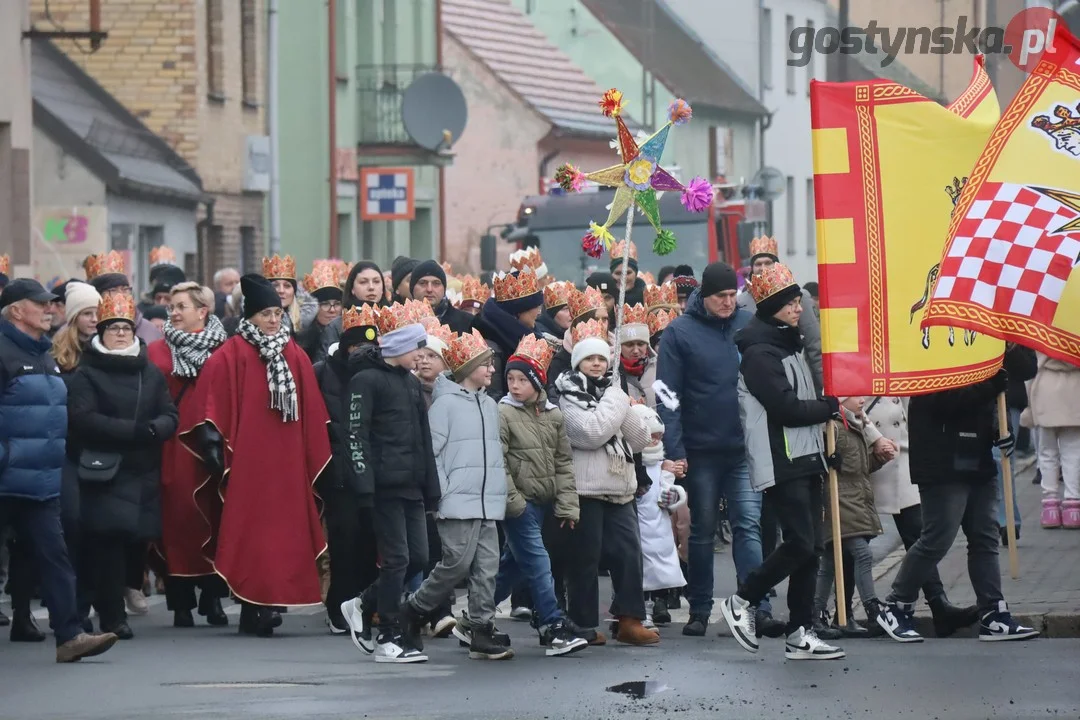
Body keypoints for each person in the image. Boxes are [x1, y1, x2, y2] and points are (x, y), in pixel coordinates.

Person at [180, 274, 331, 637]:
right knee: (251, 534)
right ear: (250, 316)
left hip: (287, 462)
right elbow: (210, 401)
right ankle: (254, 605)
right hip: (247, 462)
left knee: (283, 535)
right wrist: (213, 441)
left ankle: (272, 602)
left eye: (278, 314)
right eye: (266, 314)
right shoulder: (231, 354)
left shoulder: (292, 353)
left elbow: (311, 407)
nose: (273, 321)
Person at [721, 262, 845, 661]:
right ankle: (742, 600)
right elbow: (785, 408)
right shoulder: (759, 352)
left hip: (806, 456)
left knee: (812, 548)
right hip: (781, 459)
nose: (798, 309)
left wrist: (824, 442)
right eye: (791, 303)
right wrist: (827, 407)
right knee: (799, 544)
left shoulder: (790, 343)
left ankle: (800, 631)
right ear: (773, 306)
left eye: (799, 302)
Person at [656, 261, 781, 637]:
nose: (728, 302)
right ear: (704, 296)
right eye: (720, 296)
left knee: (749, 526)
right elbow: (668, 395)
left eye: (732, 295)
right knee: (702, 530)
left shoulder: (749, 323)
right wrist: (675, 449)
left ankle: (758, 605)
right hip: (701, 448)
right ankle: (699, 608)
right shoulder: (680, 332)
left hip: (744, 446)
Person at [0, 278, 120, 662]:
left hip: (41, 479)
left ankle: (70, 636)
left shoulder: (44, 353)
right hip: (5, 476)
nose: (50, 309)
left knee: (55, 555)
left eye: (52, 304)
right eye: (41, 304)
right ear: (17, 310)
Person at [879, 358, 1040, 643]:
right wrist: (990, 386)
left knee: (985, 536)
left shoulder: (978, 351)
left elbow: (1015, 375)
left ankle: (992, 612)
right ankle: (896, 604)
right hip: (941, 462)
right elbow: (942, 402)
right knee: (937, 538)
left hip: (976, 456)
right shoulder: (928, 351)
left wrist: (1000, 430)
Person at [66, 291, 178, 640]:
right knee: (106, 543)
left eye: (126, 328)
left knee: (133, 543)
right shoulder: (87, 373)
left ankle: (100, 608)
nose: (120, 333)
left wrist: (156, 429)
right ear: (101, 332)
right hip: (103, 470)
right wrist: (131, 431)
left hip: (142, 469)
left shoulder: (149, 372)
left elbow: (169, 413)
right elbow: (82, 418)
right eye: (112, 327)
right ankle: (110, 616)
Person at [399, 329, 513, 660]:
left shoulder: (490, 405)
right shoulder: (444, 404)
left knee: (487, 567)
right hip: (456, 502)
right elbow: (432, 453)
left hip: (487, 502)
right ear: (467, 369)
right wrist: (444, 492)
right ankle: (414, 608)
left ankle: (480, 627)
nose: (492, 370)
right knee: (456, 564)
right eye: (486, 365)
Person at [339, 302, 440, 663]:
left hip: (412, 484)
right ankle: (387, 635)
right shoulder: (366, 380)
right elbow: (355, 434)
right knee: (397, 558)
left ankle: (363, 604)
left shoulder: (411, 385)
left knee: (419, 557)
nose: (421, 356)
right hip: (383, 486)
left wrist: (432, 487)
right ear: (398, 347)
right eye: (417, 349)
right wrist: (364, 481)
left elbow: (423, 439)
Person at [556, 319, 655, 645]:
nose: (597, 363)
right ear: (578, 362)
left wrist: (619, 402)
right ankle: (583, 624)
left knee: (629, 554)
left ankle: (629, 619)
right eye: (590, 358)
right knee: (585, 559)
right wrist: (617, 401)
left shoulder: (614, 391)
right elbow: (590, 432)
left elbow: (640, 439)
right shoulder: (568, 393)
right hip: (586, 489)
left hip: (620, 486)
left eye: (601, 358)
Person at [494, 334, 588, 656]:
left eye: (522, 379)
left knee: (513, 566)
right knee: (538, 562)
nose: (515, 385)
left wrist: (567, 505)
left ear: (538, 381)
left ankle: (475, 617)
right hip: (519, 505)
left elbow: (563, 462)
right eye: (510, 378)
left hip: (543, 503)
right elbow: (499, 461)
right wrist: (514, 502)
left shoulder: (553, 416)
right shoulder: (503, 413)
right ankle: (551, 626)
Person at [147, 282, 230, 628]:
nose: (175, 313)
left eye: (182, 306)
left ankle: (213, 598)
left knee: (216, 516)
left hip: (212, 446)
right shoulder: (155, 351)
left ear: (202, 311)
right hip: (174, 447)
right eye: (172, 307)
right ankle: (180, 601)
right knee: (178, 520)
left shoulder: (224, 351)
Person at [863, 396, 978, 638]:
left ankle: (940, 607)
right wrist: (874, 438)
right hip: (868, 454)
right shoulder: (850, 357)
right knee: (856, 540)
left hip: (902, 452)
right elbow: (845, 402)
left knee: (918, 532)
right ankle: (846, 612)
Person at [314, 304, 381, 635]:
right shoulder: (322, 372)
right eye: (357, 346)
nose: (362, 352)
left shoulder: (379, 373)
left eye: (369, 346)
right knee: (344, 542)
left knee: (370, 541)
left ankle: (365, 606)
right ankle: (337, 606)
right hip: (337, 471)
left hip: (372, 469)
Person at [811, 396, 890, 641]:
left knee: (830, 563)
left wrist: (879, 458)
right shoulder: (832, 426)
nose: (863, 399)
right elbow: (823, 464)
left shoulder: (851, 426)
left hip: (853, 503)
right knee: (861, 555)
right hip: (839, 504)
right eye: (856, 395)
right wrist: (827, 462)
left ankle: (816, 612)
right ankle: (872, 608)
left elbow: (857, 469)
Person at [736, 236, 822, 395]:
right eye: (758, 264)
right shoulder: (741, 302)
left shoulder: (800, 297)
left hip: (797, 380)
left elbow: (814, 346)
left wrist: (824, 387)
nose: (763, 268)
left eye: (768, 262)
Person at [631, 404, 686, 628]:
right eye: (649, 436)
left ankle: (657, 603)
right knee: (639, 567)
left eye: (657, 436)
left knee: (660, 567)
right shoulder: (634, 465)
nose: (653, 441)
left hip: (660, 527)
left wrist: (672, 491)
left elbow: (666, 498)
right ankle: (641, 609)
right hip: (639, 526)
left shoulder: (662, 464)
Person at [472, 267, 545, 400]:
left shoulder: (528, 335)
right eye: (535, 307)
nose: (539, 312)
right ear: (518, 312)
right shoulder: (491, 348)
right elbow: (494, 398)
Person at [1027, 352, 1080, 528]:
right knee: (1072, 452)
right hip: (1075, 388)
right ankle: (1073, 506)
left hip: (1045, 387)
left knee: (1047, 451)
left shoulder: (1043, 329)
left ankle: (1050, 506)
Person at [85, 250, 162, 344]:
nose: (121, 294)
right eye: (113, 290)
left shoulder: (150, 329)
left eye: (125, 289)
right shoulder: (89, 326)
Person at [318, 261, 386, 361]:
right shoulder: (337, 325)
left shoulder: (393, 319)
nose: (371, 287)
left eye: (376, 281)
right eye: (363, 282)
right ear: (352, 289)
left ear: (383, 288)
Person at [547, 286, 608, 398]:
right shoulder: (561, 361)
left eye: (605, 319)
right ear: (582, 322)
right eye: (595, 319)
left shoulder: (616, 353)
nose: (601, 324)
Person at [410, 260, 475, 334]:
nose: (429, 289)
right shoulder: (399, 321)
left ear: (444, 288)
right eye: (422, 283)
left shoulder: (468, 322)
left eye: (436, 283)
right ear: (412, 288)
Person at [296, 261, 343, 362]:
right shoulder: (302, 339)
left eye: (337, 304)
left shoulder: (347, 334)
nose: (332, 310)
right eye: (325, 304)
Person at [51, 282, 101, 373]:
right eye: (87, 313)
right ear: (73, 318)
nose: (94, 319)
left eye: (98, 313)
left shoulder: (107, 347)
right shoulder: (57, 352)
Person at [262, 254, 317, 334]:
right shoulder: (253, 321)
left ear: (294, 292)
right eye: (275, 285)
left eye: (287, 286)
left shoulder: (310, 326)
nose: (281, 290)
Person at [609, 240, 646, 307]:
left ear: (635, 274)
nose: (623, 278)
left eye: (628, 273)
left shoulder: (648, 299)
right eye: (618, 273)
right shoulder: (605, 302)